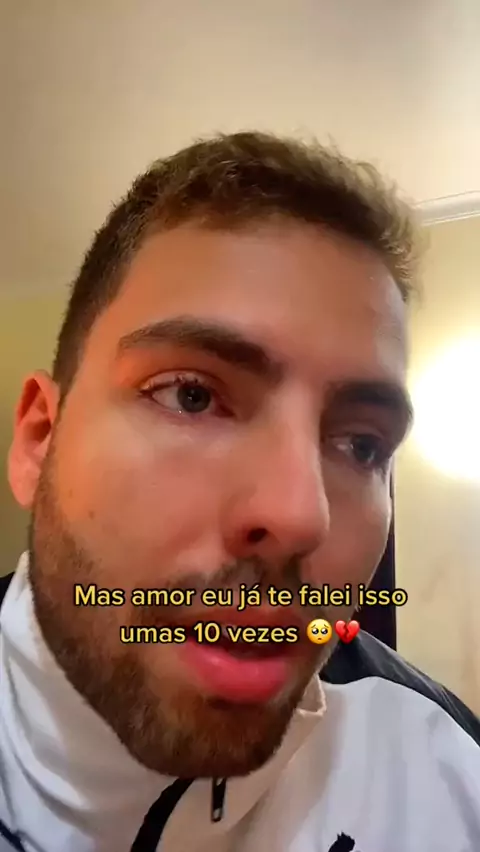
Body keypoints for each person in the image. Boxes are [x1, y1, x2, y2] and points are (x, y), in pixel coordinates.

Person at [1, 131, 479, 852]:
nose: (299, 515)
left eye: (362, 445)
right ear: (40, 440)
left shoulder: (449, 780)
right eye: (192, 396)